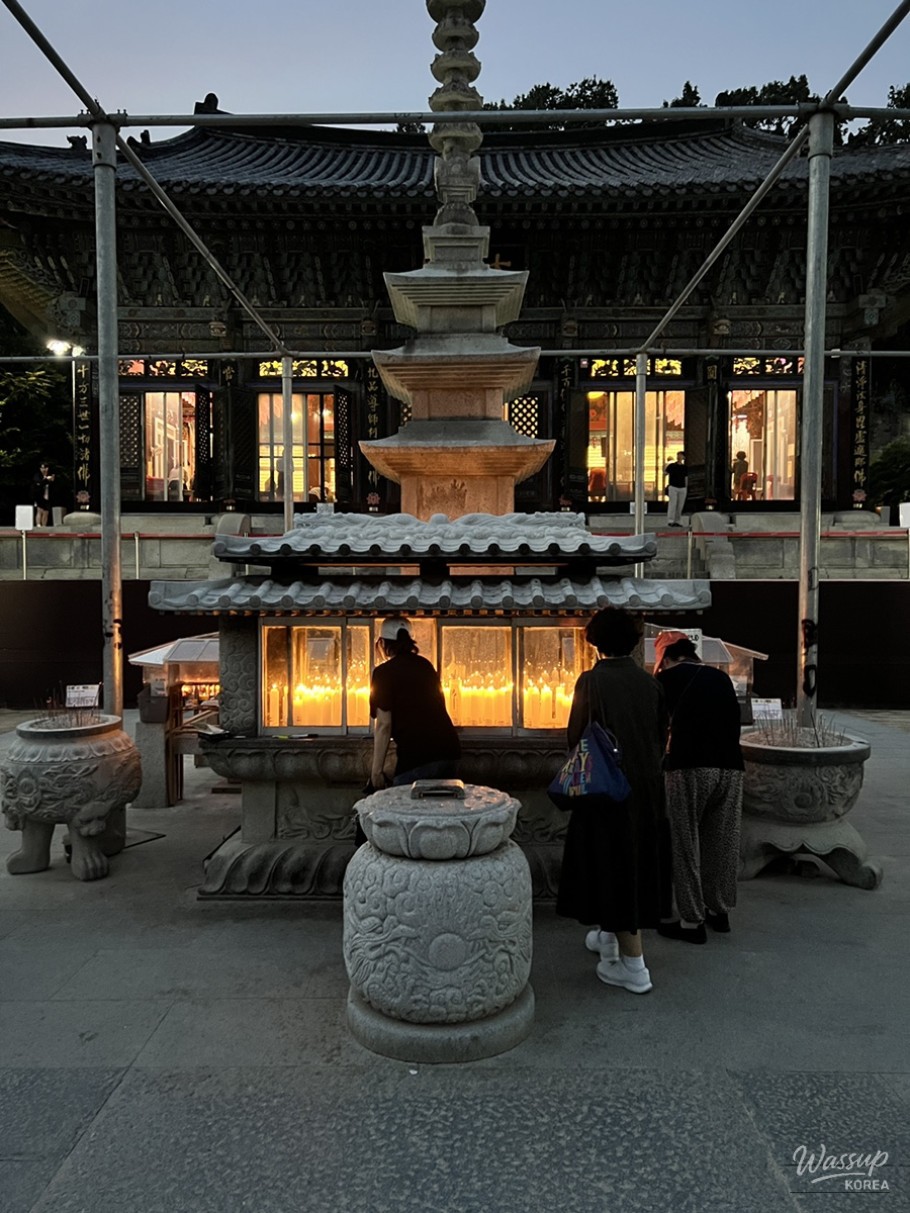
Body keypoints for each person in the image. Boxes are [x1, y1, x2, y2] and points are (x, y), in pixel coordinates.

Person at [556, 608, 669, 995]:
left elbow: (577, 738)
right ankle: (607, 937)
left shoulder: (592, 681)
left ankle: (635, 968)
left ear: (595, 642)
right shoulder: (649, 683)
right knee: (632, 864)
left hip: (607, 793)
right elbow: (659, 736)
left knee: (613, 866)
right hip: (647, 791)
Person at [654, 632, 744, 944]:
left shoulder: (665, 681)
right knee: (721, 842)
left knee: (685, 843)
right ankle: (720, 912)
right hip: (731, 768)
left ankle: (692, 923)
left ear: (665, 658)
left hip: (689, 767)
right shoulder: (720, 679)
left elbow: (657, 728)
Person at [369, 617, 460, 788]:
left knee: (404, 810)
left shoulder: (383, 673)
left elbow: (383, 725)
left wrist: (376, 772)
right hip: (449, 752)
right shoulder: (425, 666)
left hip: (417, 757)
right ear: (410, 641)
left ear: (382, 643)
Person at [664, 450, 688, 527]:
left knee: (680, 505)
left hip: (682, 487)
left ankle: (678, 520)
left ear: (683, 457)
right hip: (673, 486)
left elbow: (686, 478)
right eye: (678, 455)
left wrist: (686, 487)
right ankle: (671, 520)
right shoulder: (671, 466)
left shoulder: (685, 467)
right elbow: (665, 473)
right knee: (672, 504)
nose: (679, 457)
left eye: (680, 455)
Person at [31, 461, 56, 526]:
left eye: (45, 468)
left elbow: (54, 486)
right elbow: (38, 484)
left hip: (48, 496)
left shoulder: (50, 475)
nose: (43, 469)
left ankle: (44, 526)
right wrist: (45, 480)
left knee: (46, 512)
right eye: (42, 468)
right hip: (38, 496)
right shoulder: (37, 475)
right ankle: (38, 524)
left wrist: (51, 480)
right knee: (39, 510)